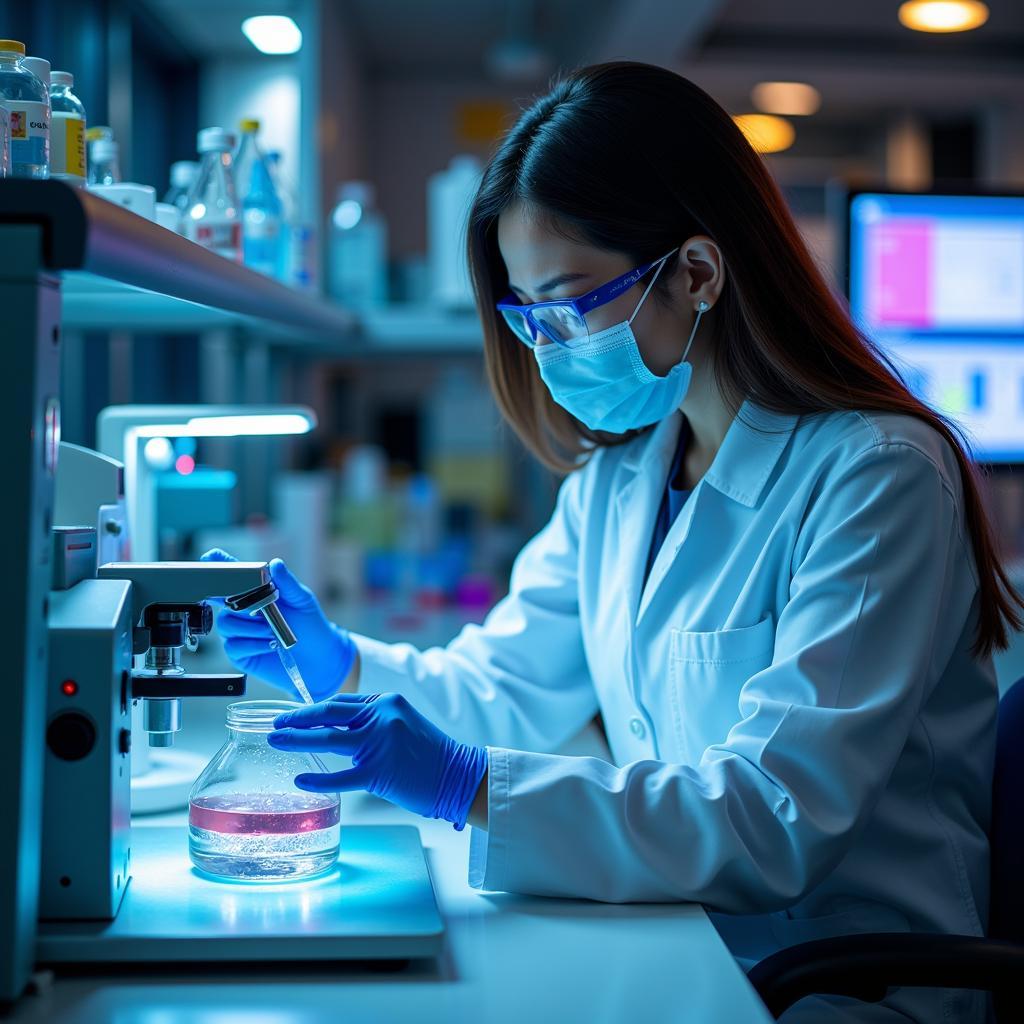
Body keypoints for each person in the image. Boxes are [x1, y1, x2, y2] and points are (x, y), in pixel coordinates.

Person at [205, 62, 1021, 1023]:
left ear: (698, 272)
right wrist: (341, 666)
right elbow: (503, 692)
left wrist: (466, 784)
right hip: (690, 936)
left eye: (570, 302)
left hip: (849, 985)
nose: (547, 347)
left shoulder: (879, 473)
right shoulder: (622, 479)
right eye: (527, 314)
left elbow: (773, 818)